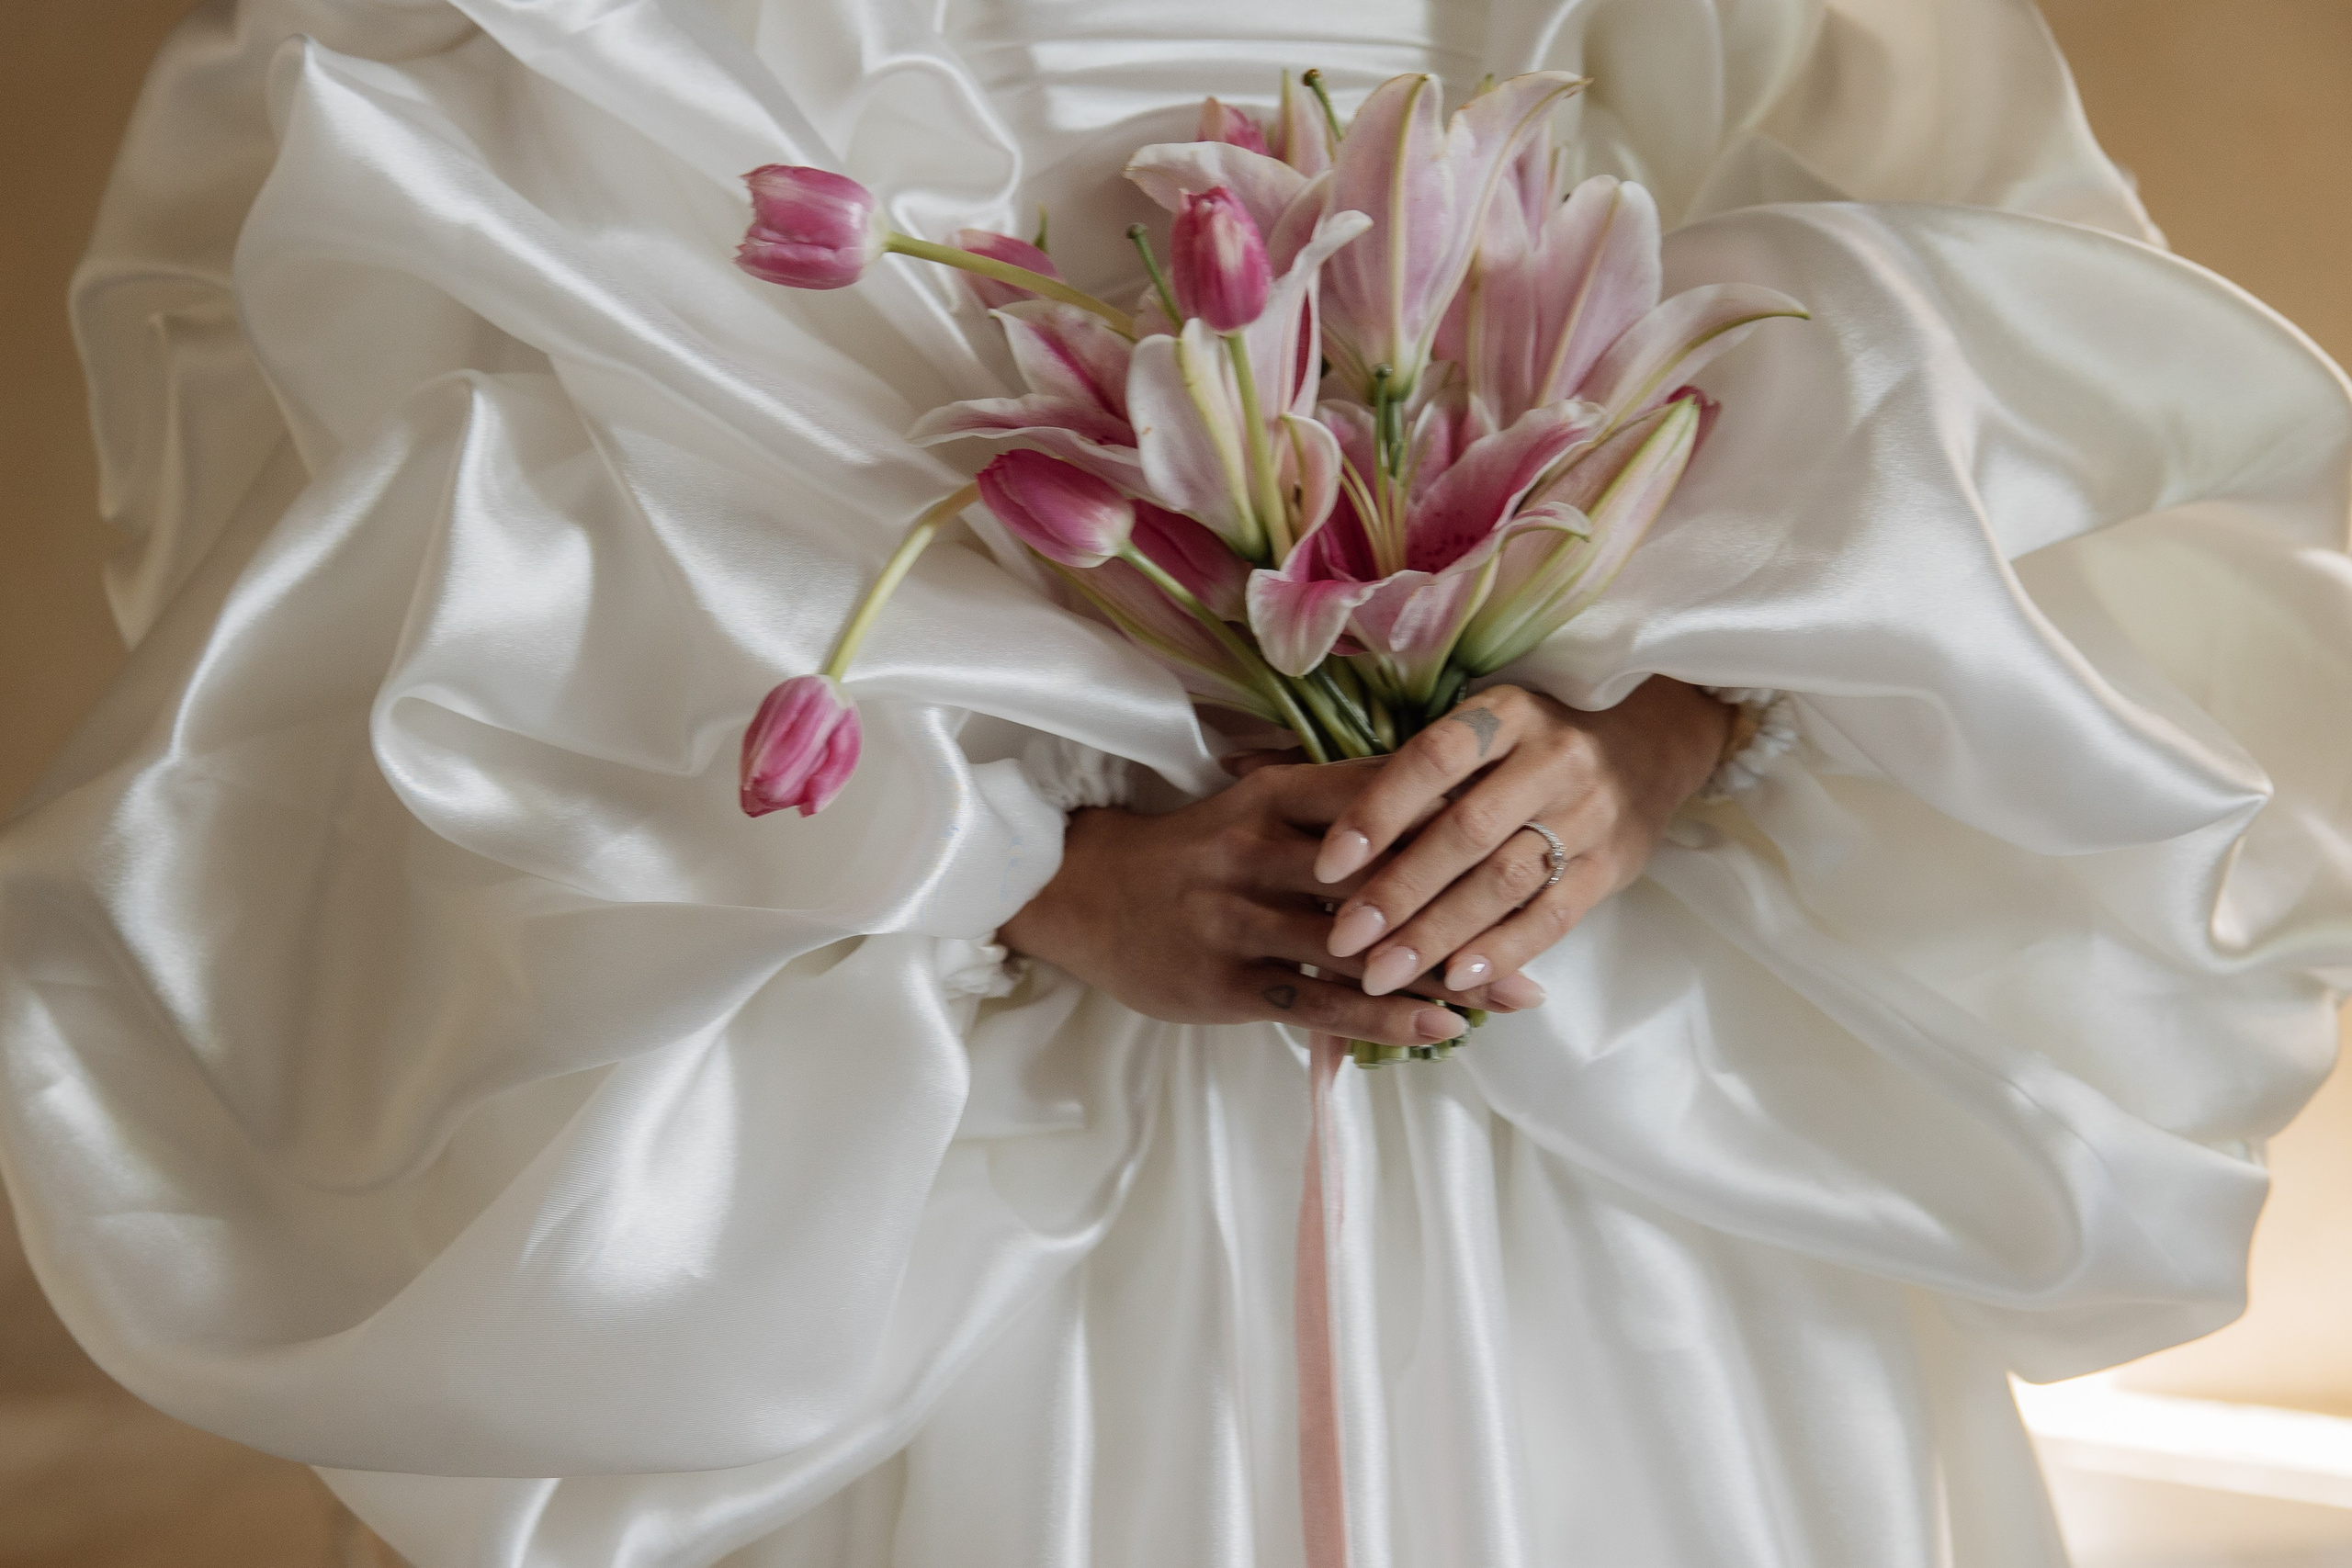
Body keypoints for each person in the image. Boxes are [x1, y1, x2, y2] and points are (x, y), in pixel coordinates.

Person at [4, 0, 2347, 1563]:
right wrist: (1023, 868)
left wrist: (1646, 740)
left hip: (1575, 1031)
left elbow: (1948, 294)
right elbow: (489, 417)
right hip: (965, 1055)